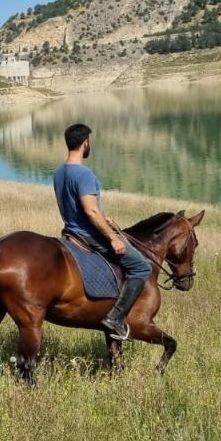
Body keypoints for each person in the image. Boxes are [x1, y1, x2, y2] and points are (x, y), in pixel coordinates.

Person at [53, 122, 151, 340]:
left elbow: (77, 204)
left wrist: (102, 214)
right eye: (90, 142)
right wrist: (112, 237)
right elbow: (90, 212)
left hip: (70, 230)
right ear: (85, 143)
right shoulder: (84, 174)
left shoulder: (60, 171)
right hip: (89, 234)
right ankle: (115, 318)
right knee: (141, 267)